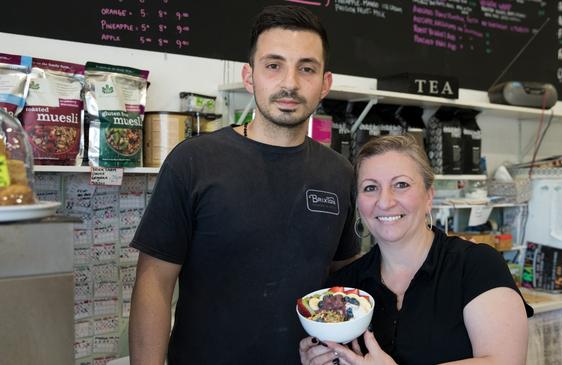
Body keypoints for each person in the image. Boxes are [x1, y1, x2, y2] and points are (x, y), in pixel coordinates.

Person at [129, 5, 359, 364]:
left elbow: (343, 279)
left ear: (325, 83)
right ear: (250, 77)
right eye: (273, 65)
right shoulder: (193, 162)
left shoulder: (340, 173)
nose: (290, 83)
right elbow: (154, 282)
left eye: (307, 68)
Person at [299, 135, 533, 365]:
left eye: (401, 185)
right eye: (370, 187)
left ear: (429, 196)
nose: (385, 201)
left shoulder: (475, 265)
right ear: (358, 203)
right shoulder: (346, 288)